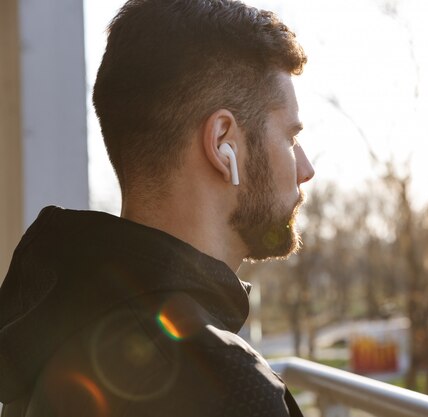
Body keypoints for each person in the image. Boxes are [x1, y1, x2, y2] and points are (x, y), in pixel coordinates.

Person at [0, 0, 314, 415]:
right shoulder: (228, 389)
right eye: (290, 137)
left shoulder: (58, 328)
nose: (305, 169)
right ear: (224, 144)